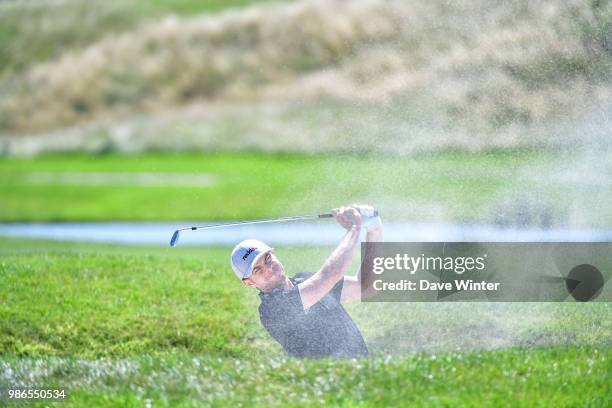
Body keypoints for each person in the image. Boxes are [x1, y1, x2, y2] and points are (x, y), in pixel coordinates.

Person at [230, 204, 382, 358]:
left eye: (268, 258)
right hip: (330, 378)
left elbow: (365, 287)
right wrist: (355, 227)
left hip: (364, 373)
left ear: (274, 253)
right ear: (248, 282)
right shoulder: (272, 309)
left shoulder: (306, 279)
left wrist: (374, 229)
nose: (268, 268)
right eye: (258, 270)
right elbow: (330, 274)